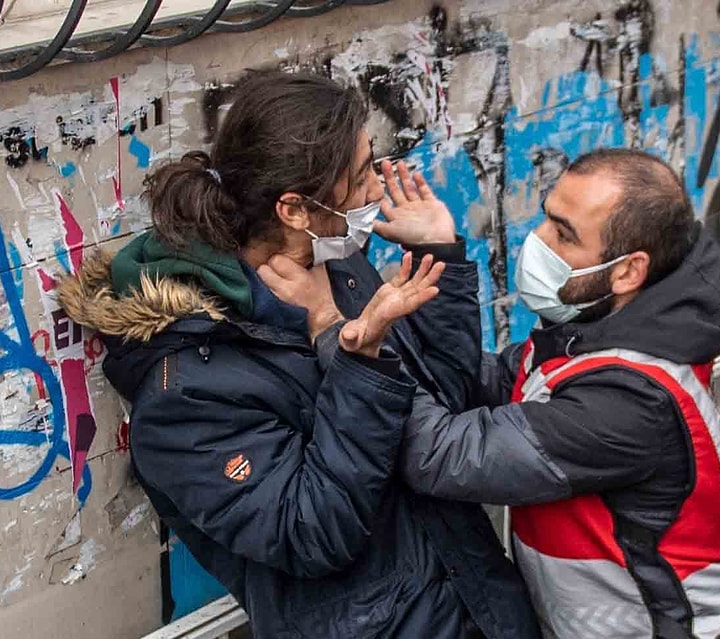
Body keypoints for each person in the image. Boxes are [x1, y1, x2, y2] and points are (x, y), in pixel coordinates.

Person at [57, 71, 539, 639]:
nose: (375, 193)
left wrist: (440, 255)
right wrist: (347, 351)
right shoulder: (185, 389)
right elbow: (312, 532)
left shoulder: (330, 265)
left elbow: (443, 404)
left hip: (478, 605)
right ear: (294, 209)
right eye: (361, 177)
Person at [396, 148, 720, 639]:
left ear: (629, 271)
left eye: (564, 235)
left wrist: (352, 344)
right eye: (548, 218)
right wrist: (440, 256)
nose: (538, 241)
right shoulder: (595, 335)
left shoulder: (630, 402)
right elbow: (477, 385)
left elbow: (445, 455)